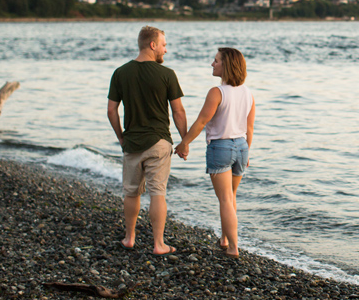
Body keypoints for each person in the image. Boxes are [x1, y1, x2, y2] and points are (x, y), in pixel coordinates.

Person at [107, 26, 187, 255]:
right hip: (159, 142)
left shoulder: (120, 73)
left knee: (131, 192)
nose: (165, 50)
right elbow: (178, 111)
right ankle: (158, 244)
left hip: (132, 143)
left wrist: (121, 137)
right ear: (152, 45)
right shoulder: (167, 74)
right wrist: (185, 141)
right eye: (163, 45)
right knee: (157, 193)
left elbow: (112, 111)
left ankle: (130, 238)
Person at [175, 47, 255, 258]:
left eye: (216, 61)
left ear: (226, 65)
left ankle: (233, 248)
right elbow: (249, 128)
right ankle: (225, 238)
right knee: (230, 197)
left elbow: (202, 121)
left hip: (221, 147)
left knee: (225, 199)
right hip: (241, 147)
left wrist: (184, 143)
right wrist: (247, 153)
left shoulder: (217, 92)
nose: (212, 64)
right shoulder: (248, 93)